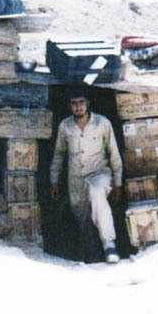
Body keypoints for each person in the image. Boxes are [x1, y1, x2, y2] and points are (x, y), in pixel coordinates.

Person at [50, 89, 123, 264]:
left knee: (97, 195)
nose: (78, 107)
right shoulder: (65, 126)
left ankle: (109, 245)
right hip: (75, 179)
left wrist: (118, 183)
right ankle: (92, 256)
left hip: (99, 173)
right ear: (70, 106)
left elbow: (114, 152)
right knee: (82, 217)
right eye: (74, 103)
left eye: (81, 102)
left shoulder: (102, 123)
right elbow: (59, 154)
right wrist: (54, 181)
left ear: (87, 103)